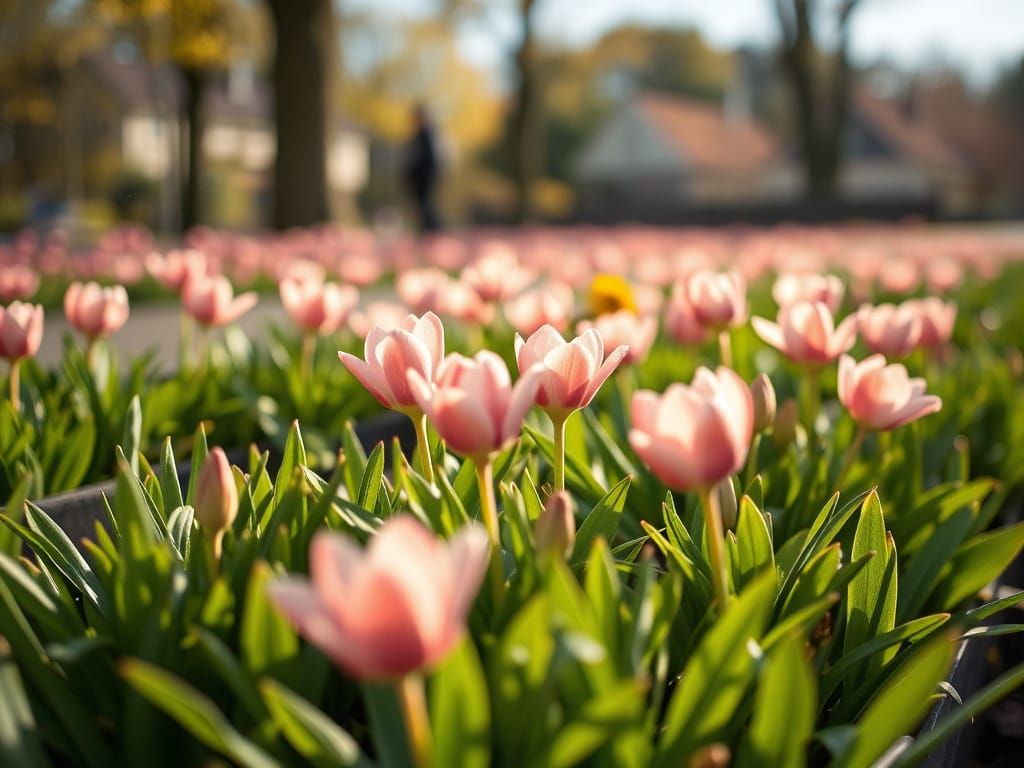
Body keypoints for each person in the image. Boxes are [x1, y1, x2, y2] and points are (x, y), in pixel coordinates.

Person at [403, 105, 440, 234]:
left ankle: (432, 231)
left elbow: (427, 158)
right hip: (419, 177)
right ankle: (428, 230)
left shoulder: (427, 135)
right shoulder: (419, 136)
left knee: (425, 205)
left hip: (424, 177)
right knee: (422, 205)